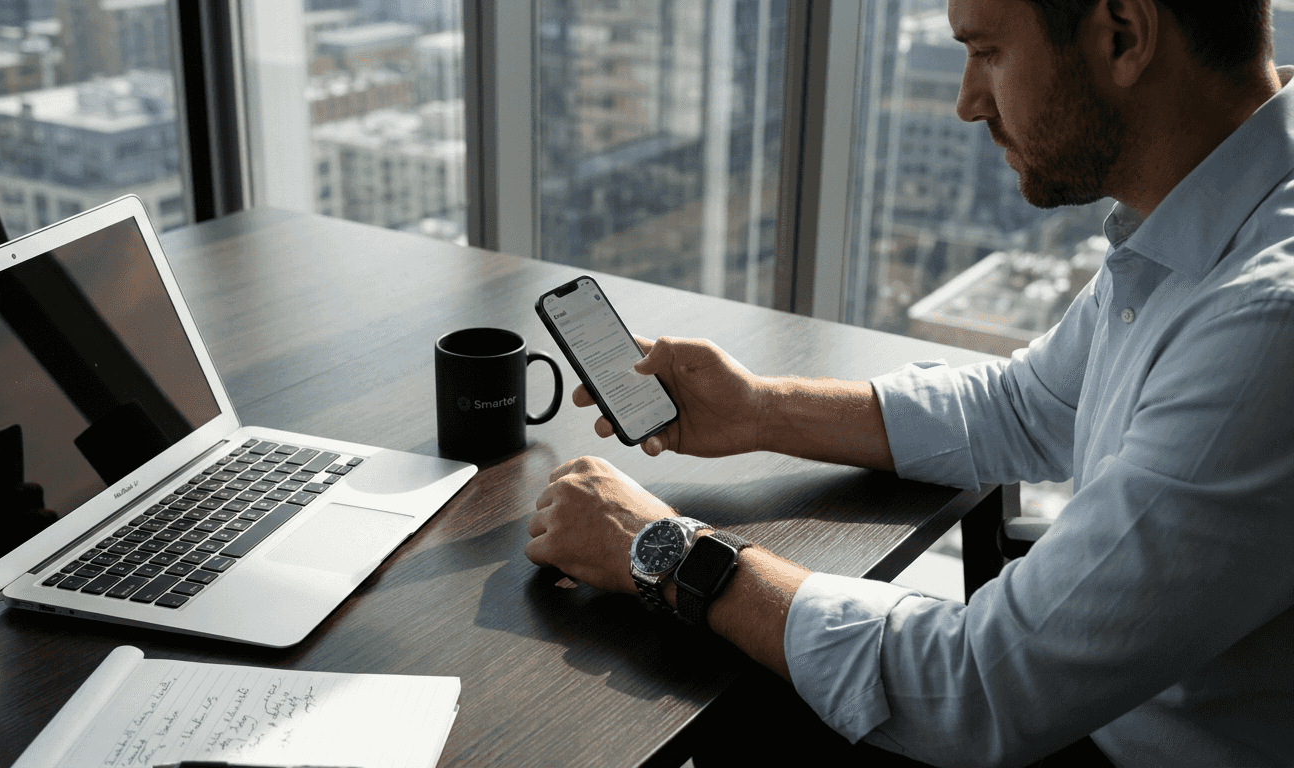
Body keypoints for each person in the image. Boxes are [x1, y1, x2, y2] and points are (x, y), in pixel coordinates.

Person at [523, 0, 1294, 765]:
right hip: (1099, 707)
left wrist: (666, 551)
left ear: (1122, 36)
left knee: (711, 691)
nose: (966, 102)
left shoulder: (1264, 326)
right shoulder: (1209, 215)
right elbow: (1030, 405)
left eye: (987, 52)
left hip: (1119, 744)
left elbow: (981, 690)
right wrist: (760, 410)